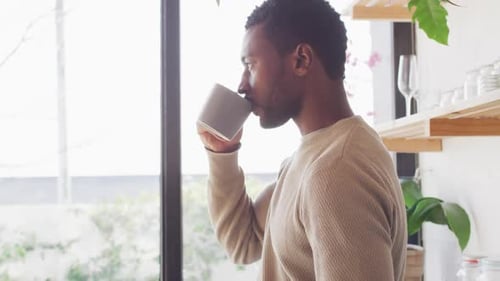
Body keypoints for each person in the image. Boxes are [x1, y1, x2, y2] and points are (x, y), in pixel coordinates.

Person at [197, 0, 407, 279]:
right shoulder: (312, 158)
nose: (242, 85)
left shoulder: (336, 171)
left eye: (250, 65)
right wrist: (223, 153)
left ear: (301, 60)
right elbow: (243, 242)